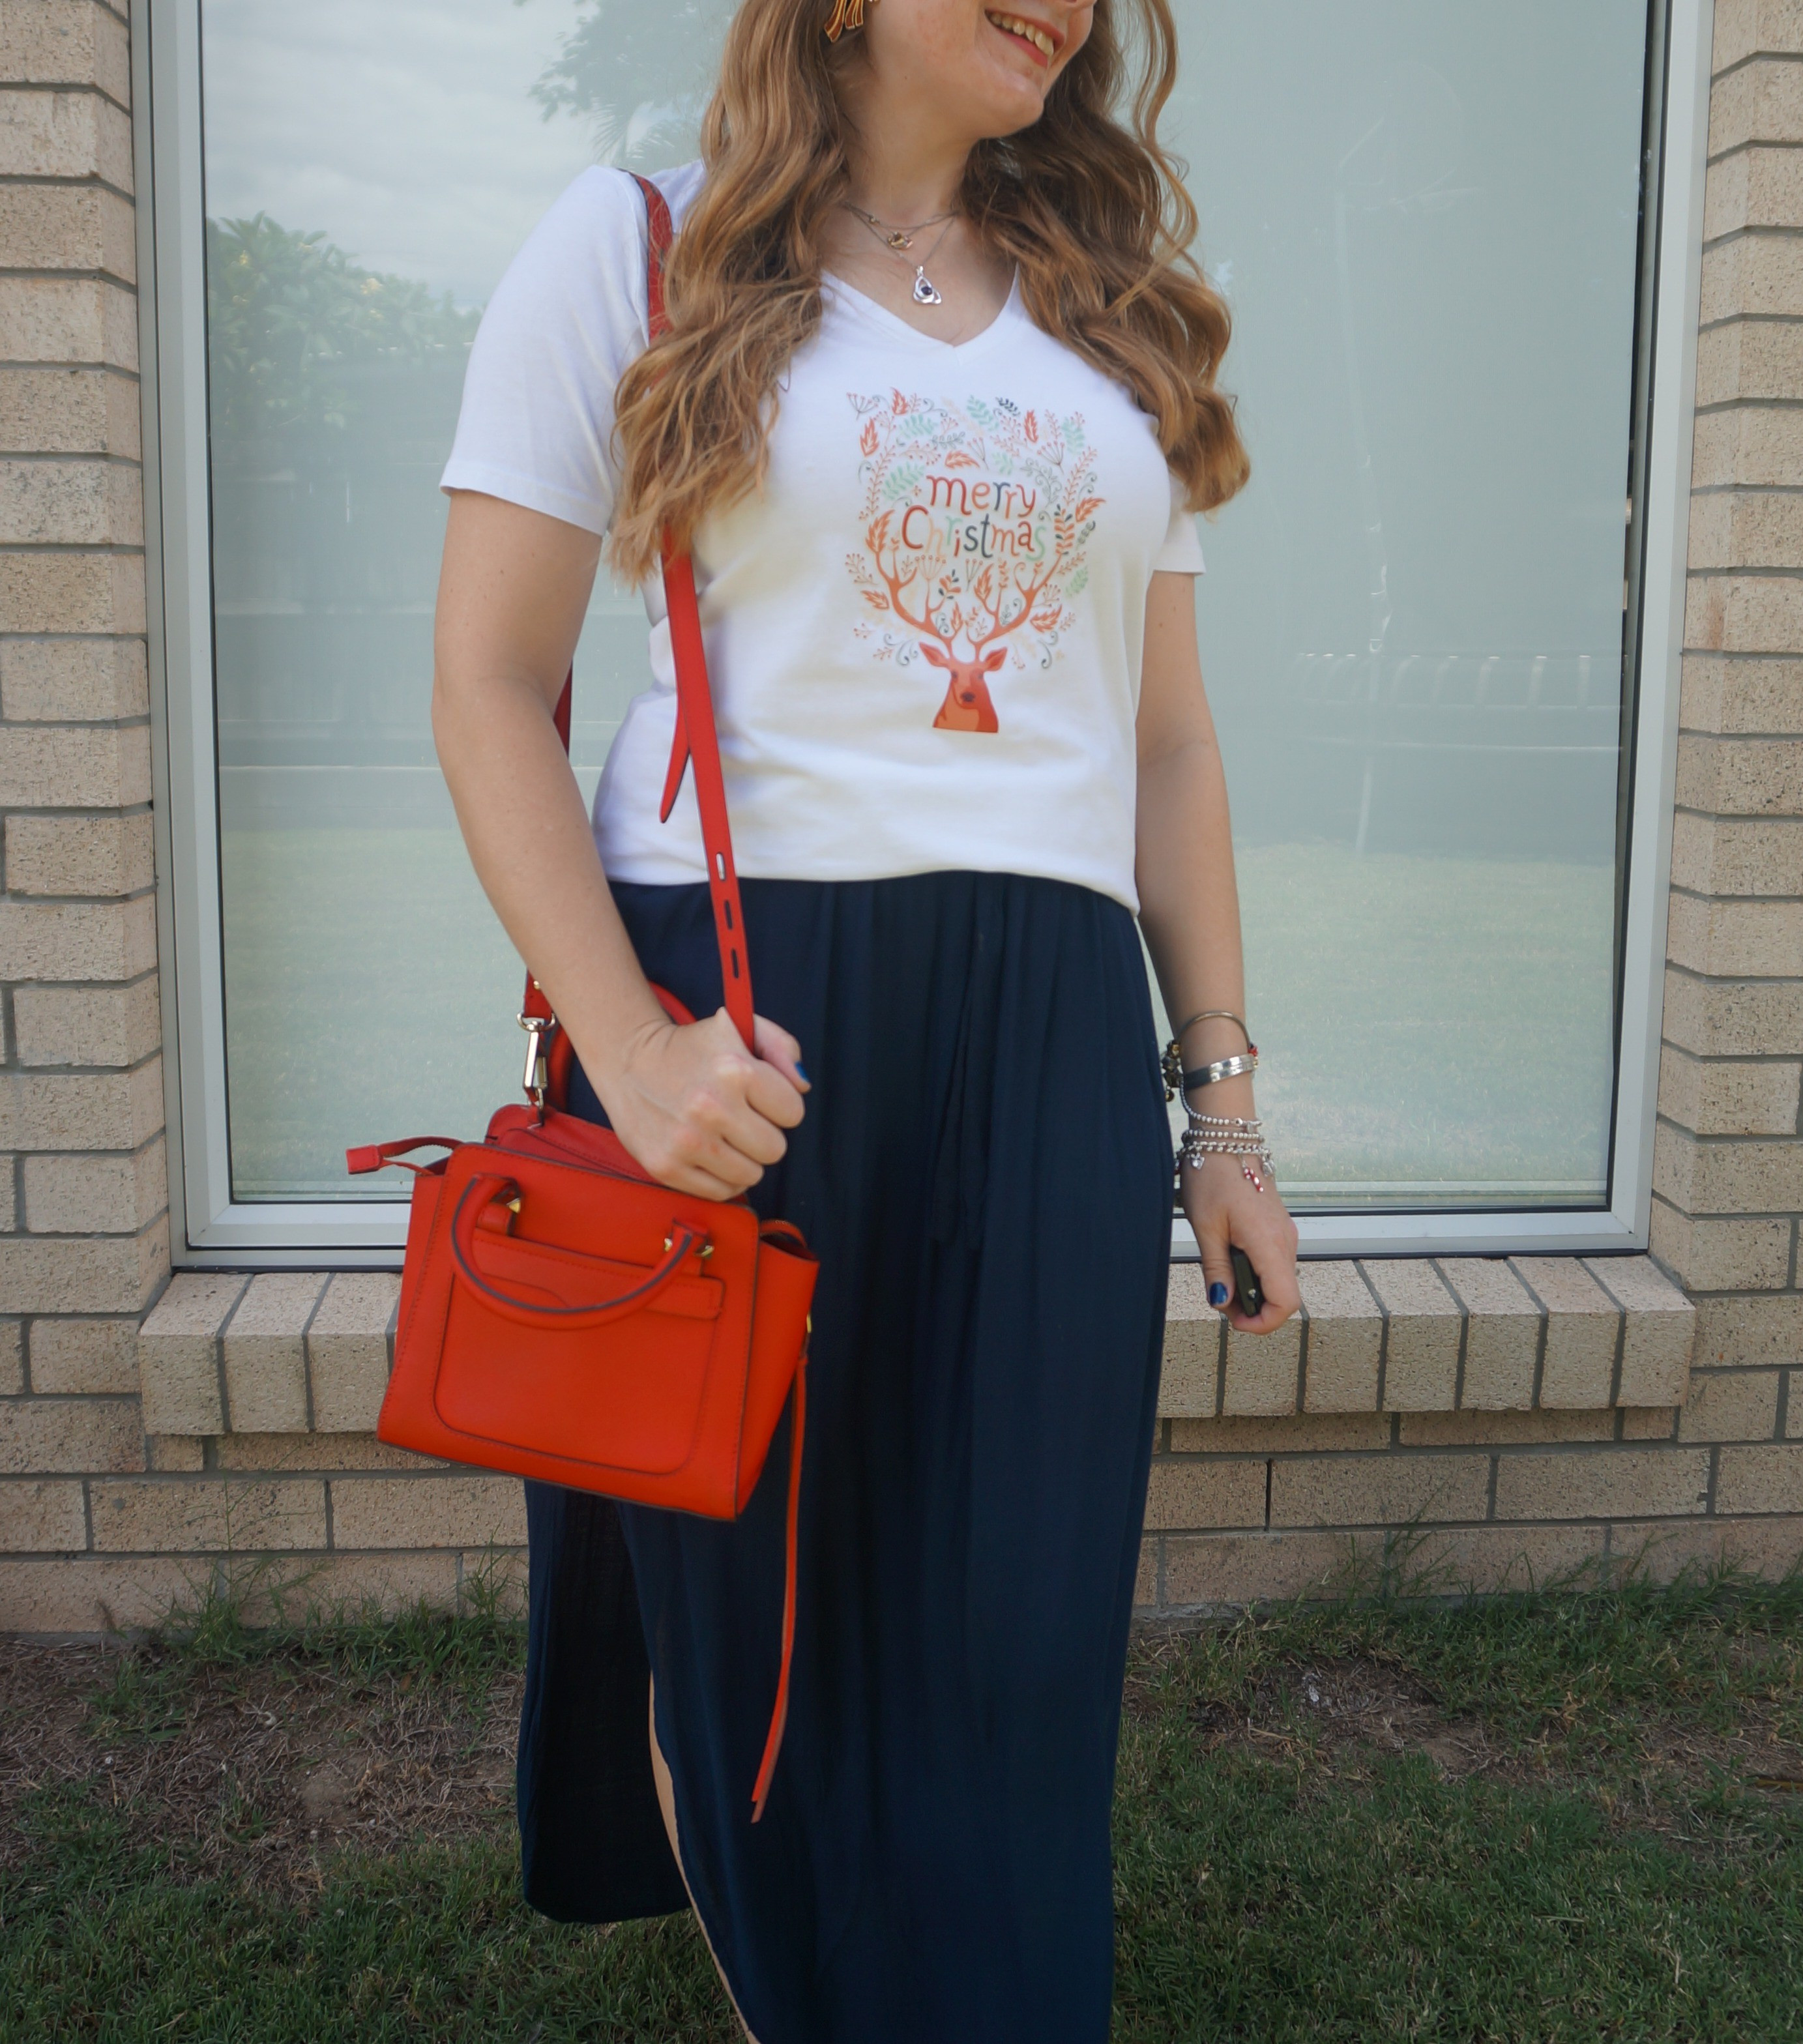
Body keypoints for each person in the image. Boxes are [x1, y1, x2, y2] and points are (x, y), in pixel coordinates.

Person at [431, 0, 1298, 2034]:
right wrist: (633, 1057)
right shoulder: (634, 247)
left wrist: (1225, 1109)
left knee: (1013, 1614)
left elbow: (1166, 747)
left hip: (1051, 1034)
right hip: (746, 1024)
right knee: (750, 1632)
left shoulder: (1126, 312)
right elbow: (488, 684)